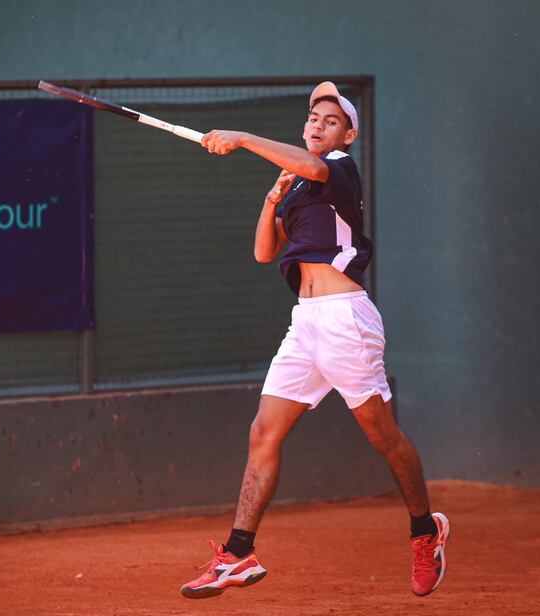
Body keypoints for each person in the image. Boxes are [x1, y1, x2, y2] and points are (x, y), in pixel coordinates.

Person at [180, 82, 450, 600]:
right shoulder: (298, 186)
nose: (318, 123)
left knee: (381, 435)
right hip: (304, 322)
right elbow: (264, 252)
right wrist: (271, 198)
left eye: (331, 119)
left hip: (346, 319)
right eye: (312, 116)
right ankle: (238, 554)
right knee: (264, 431)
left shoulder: (340, 168)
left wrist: (240, 136)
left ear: (347, 132)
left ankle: (425, 531)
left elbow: (317, 168)